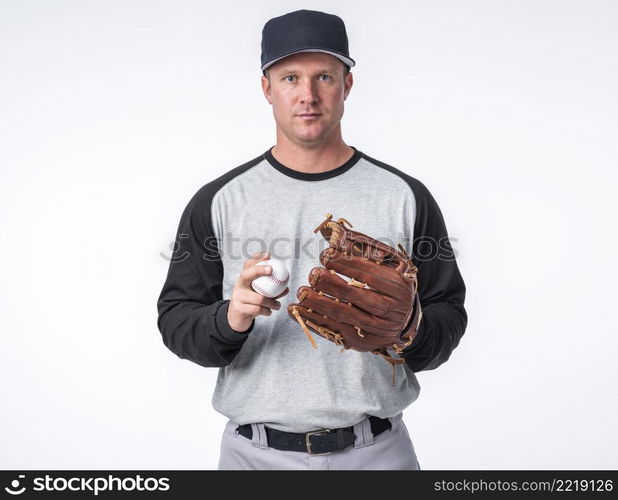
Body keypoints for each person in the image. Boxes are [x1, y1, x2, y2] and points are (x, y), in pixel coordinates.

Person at [156, 9, 467, 470]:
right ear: (267, 88)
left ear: (347, 85)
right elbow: (176, 322)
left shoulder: (404, 196)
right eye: (289, 78)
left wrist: (411, 329)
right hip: (254, 457)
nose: (308, 95)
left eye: (324, 76)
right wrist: (230, 319)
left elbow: (450, 315)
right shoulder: (218, 200)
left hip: (376, 454)